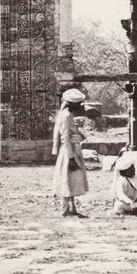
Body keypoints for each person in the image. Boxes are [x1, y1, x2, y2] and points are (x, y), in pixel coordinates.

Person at [51, 88, 90, 218]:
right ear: (72, 103)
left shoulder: (66, 115)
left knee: (72, 180)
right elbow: (65, 138)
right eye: (78, 103)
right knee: (67, 180)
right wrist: (71, 157)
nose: (80, 106)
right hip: (69, 151)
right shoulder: (66, 116)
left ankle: (72, 208)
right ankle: (65, 209)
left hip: (73, 150)